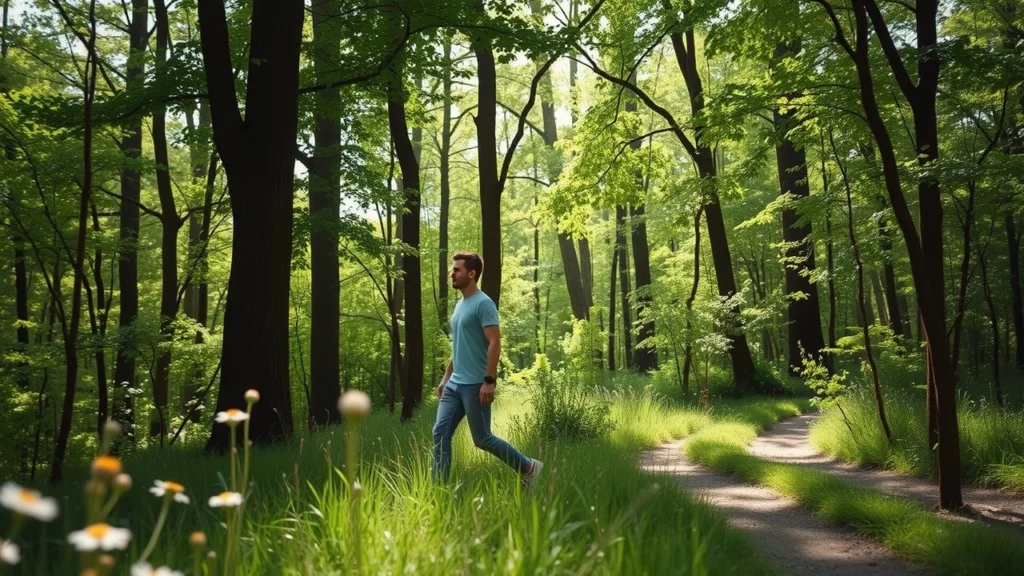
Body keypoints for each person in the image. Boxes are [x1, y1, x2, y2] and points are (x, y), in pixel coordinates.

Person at [431, 252, 543, 486]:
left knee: (482, 439)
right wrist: (445, 378)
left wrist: (489, 381)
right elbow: (459, 345)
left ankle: (529, 467)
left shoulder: (484, 304)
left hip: (474, 385)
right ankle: (437, 490)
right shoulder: (459, 305)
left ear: (472, 274)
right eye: (452, 269)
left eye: (457, 270)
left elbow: (494, 342)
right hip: (454, 386)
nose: (452, 273)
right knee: (440, 435)